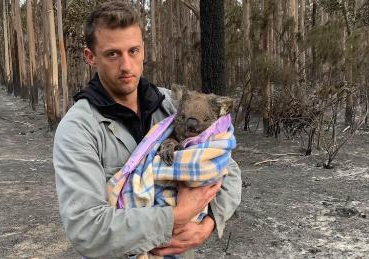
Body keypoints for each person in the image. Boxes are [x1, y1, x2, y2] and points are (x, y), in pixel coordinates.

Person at [53, 1, 242, 258]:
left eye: (133, 51)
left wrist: (207, 225)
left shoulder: (172, 106)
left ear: (143, 49)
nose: (127, 66)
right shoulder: (78, 130)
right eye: (112, 54)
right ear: (90, 57)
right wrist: (177, 217)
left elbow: (228, 169)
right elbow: (87, 229)